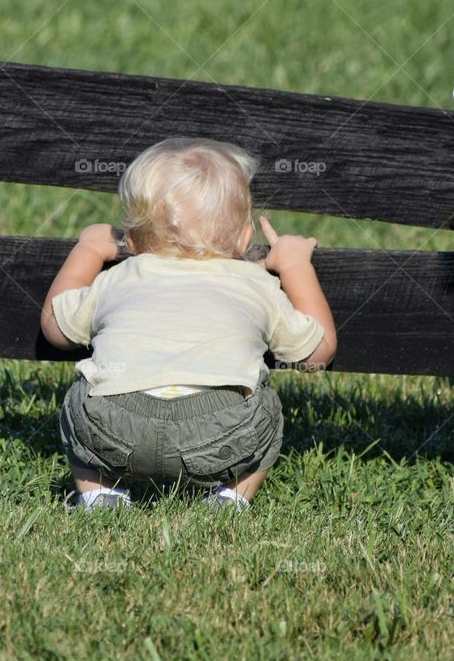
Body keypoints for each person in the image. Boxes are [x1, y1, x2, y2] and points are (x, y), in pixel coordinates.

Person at [40, 137, 337, 511]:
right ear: (246, 238)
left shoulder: (122, 274)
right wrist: (295, 265)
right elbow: (319, 350)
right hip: (220, 432)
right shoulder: (255, 281)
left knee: (79, 396)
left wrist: (87, 248)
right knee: (268, 409)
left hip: (113, 427)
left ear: (129, 238)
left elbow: (55, 327)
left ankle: (99, 494)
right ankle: (232, 498)